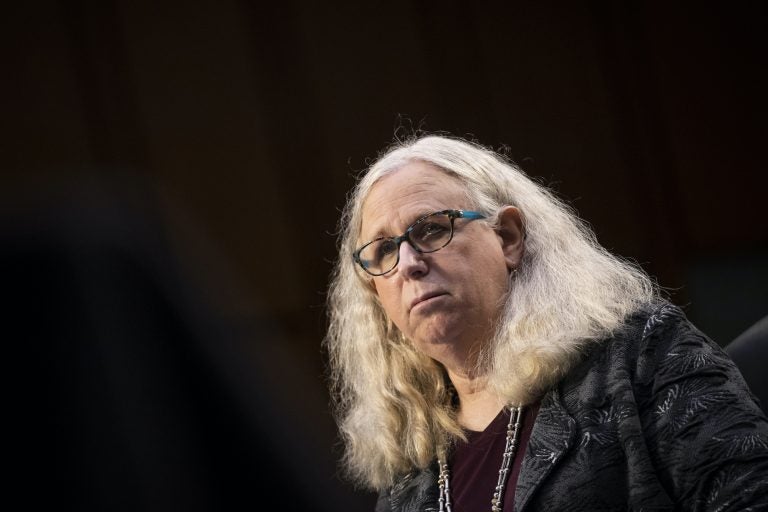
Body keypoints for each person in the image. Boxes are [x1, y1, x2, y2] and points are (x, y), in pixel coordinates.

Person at [325, 135, 768, 511]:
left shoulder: (639, 355)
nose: (408, 264)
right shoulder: (409, 474)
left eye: (431, 229)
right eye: (383, 250)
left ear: (508, 238)